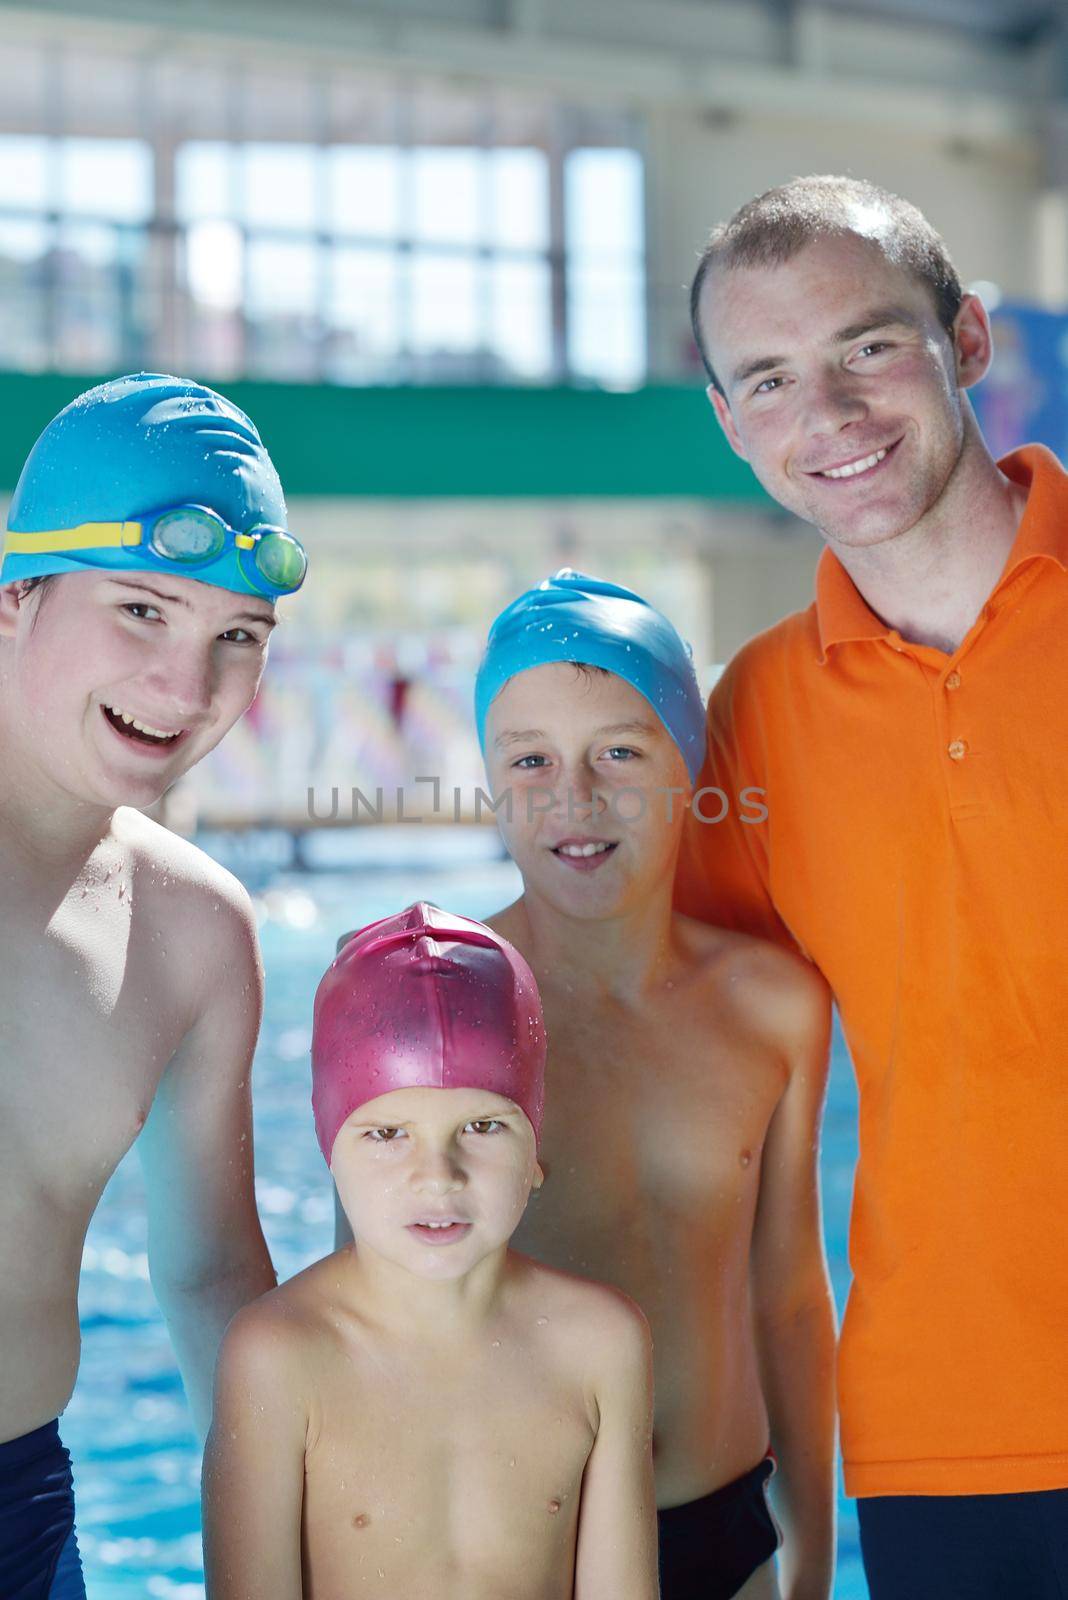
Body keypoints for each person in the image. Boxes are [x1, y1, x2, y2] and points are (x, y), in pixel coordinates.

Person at [678, 173, 1068, 1600]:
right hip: (942, 1428)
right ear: (730, 424)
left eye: (867, 347)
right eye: (770, 378)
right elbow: (686, 1065)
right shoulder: (754, 720)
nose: (827, 416)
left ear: (966, 340)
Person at [0, 372, 307, 1597]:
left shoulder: (193, 934)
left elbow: (211, 1274)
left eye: (238, 636)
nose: (185, 688)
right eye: (141, 609)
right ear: (17, 595)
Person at [471, 570, 836, 1600]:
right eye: (529, 758)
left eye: (620, 752)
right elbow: (360, 1320)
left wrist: (808, 1554)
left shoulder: (772, 1006)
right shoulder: (440, 1000)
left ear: (692, 766)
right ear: (490, 778)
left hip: (726, 1535)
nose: (573, 798)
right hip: (507, 1549)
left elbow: (791, 1299)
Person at [203, 903, 658, 1600]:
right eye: (387, 1134)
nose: (437, 1176)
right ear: (330, 1153)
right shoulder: (279, 1356)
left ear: (536, 1148)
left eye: (482, 1125)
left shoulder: (602, 1344)